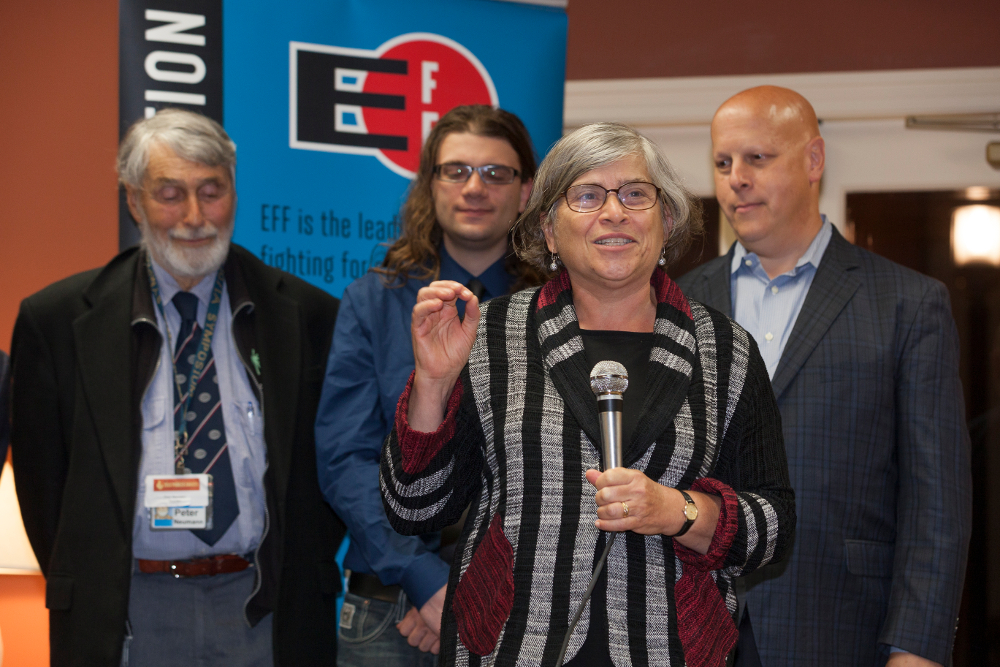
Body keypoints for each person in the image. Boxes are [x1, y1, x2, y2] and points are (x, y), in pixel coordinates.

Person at [379, 122, 796, 666]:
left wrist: (678, 510)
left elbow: (775, 528)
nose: (614, 212)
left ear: (665, 221)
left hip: (669, 650)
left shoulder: (725, 350)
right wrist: (433, 382)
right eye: (586, 195)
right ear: (550, 231)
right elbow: (416, 508)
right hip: (511, 647)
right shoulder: (487, 334)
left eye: (636, 194)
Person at [9, 108, 345, 666]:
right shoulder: (57, 322)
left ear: (234, 191)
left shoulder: (308, 316)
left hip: (264, 610)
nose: (195, 216)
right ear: (134, 201)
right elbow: (45, 490)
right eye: (170, 193)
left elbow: (329, 470)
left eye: (211, 191)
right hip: (127, 617)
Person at [677, 86, 972, 667]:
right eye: (722, 162)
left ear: (813, 160)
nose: (736, 178)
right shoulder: (679, 306)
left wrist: (917, 647)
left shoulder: (907, 304)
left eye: (757, 159)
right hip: (694, 628)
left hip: (841, 626)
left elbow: (936, 500)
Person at [315, 105, 546, 664]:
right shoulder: (372, 302)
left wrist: (470, 591)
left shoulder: (556, 311)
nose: (475, 188)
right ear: (430, 185)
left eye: (496, 173)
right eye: (456, 170)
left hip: (520, 609)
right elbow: (345, 458)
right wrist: (428, 583)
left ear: (525, 192)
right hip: (388, 611)